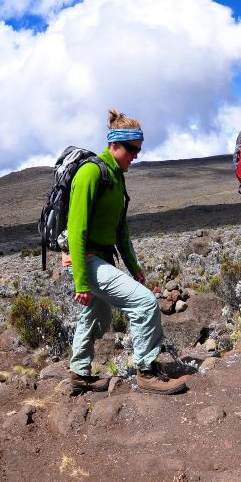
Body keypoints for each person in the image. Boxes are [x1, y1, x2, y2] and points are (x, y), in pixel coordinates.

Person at [65, 109, 187, 395]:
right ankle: (146, 371)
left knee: (95, 315)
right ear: (114, 144)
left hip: (101, 258)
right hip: (84, 259)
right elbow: (76, 229)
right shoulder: (91, 172)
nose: (136, 155)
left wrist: (134, 268)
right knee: (144, 303)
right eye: (132, 149)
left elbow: (121, 232)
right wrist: (81, 282)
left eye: (139, 150)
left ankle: (79, 374)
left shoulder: (116, 177)